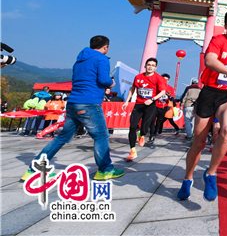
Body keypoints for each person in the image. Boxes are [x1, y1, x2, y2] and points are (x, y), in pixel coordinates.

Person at [21, 36, 124, 181]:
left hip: (73, 102)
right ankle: (105, 170)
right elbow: (103, 79)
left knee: (62, 137)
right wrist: (111, 82)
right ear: (105, 47)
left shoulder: (79, 60)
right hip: (89, 103)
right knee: (101, 136)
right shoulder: (101, 59)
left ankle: (34, 170)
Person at [178, 9, 227, 201]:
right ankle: (187, 178)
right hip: (209, 93)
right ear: (225, 24)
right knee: (199, 143)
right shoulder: (218, 40)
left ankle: (210, 173)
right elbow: (210, 61)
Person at [123, 58, 167, 162]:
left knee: (145, 128)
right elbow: (132, 88)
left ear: (155, 67)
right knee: (132, 126)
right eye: (148, 65)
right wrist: (127, 101)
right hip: (138, 105)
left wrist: (152, 99)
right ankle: (132, 150)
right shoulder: (138, 77)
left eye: (153, 65)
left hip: (150, 106)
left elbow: (163, 91)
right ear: (145, 66)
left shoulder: (158, 78)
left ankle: (141, 134)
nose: (150, 67)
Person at [150, 73, 180, 141]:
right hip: (155, 106)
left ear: (168, 81)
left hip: (164, 107)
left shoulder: (170, 88)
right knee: (152, 120)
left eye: (166, 80)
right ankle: (152, 134)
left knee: (159, 121)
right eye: (163, 79)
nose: (164, 81)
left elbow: (172, 99)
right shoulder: (156, 86)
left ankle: (155, 133)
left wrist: (169, 96)